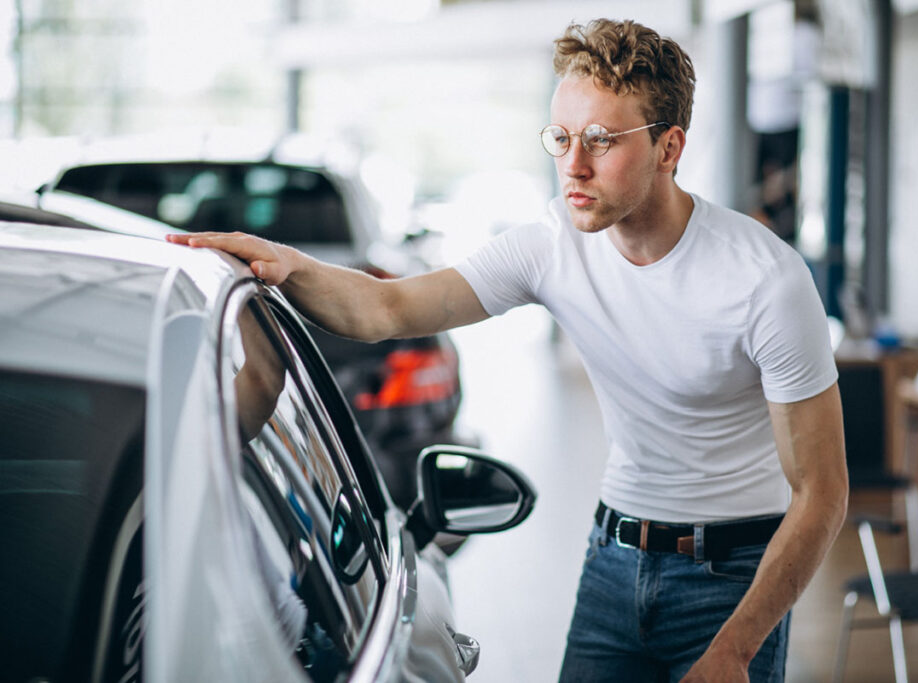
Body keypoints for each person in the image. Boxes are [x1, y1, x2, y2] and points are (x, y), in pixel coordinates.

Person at [167, 18, 847, 683]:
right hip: (612, 559)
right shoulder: (552, 244)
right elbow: (390, 306)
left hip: (730, 576)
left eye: (603, 141)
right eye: (562, 138)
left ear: (670, 148)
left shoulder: (765, 281)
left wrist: (736, 647)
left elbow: (821, 493)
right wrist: (284, 264)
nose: (573, 165)